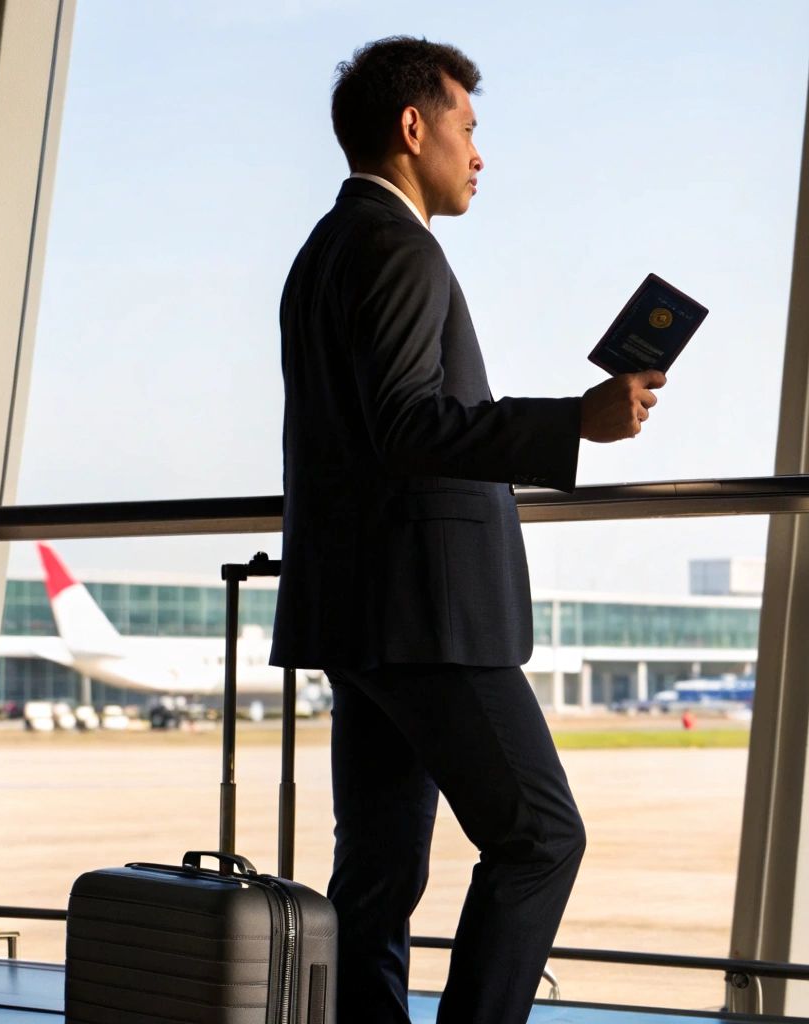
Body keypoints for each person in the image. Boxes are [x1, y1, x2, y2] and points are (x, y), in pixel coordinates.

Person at [268, 36, 663, 1024]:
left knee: (379, 866)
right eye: (467, 128)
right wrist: (575, 420)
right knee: (539, 839)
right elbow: (406, 425)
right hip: (426, 614)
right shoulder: (399, 247)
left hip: (358, 612)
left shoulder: (324, 249)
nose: (479, 153)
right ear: (413, 129)